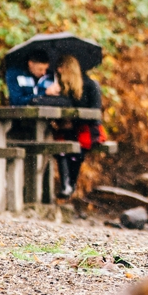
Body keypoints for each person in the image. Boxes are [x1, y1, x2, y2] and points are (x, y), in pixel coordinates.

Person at [51, 55, 104, 198]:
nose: (58, 71)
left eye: (61, 68)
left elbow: (95, 111)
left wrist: (74, 120)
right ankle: (66, 185)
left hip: (87, 127)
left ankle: (71, 183)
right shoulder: (59, 88)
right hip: (67, 128)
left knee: (77, 149)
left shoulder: (91, 85)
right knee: (61, 147)